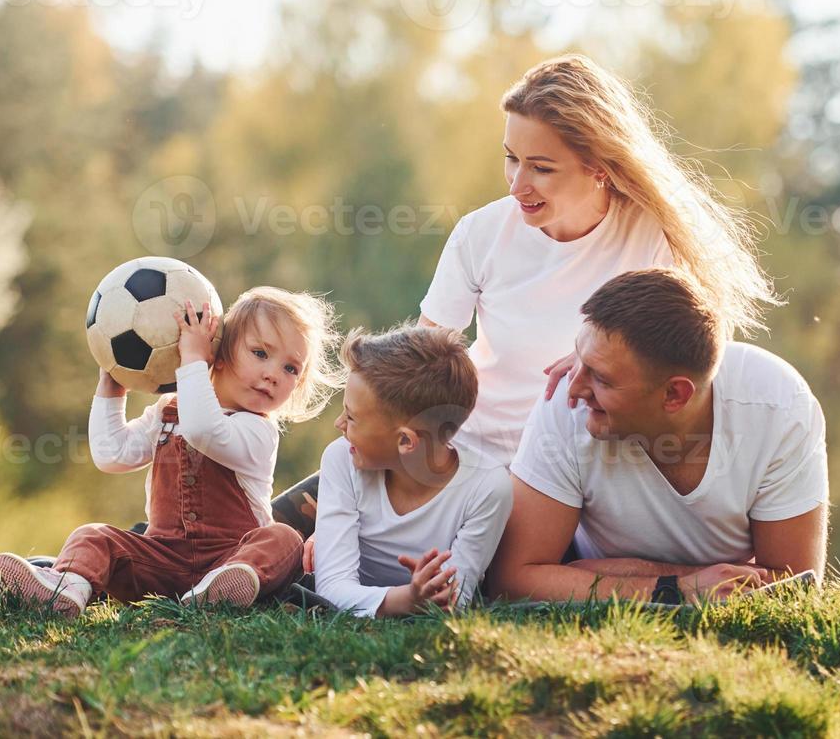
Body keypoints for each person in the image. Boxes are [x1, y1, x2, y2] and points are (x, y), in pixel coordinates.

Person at [274, 53, 778, 534]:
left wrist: (590, 364)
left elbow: (688, 363)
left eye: (541, 167)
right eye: (511, 159)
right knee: (285, 525)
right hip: (465, 455)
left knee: (469, 562)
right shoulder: (482, 233)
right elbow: (420, 362)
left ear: (598, 166)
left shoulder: (652, 238)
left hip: (574, 471)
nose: (517, 185)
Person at [0, 286, 342, 617]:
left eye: (290, 368)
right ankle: (64, 591)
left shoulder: (257, 429)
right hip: (161, 560)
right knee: (93, 535)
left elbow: (203, 429)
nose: (273, 374)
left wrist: (192, 363)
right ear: (219, 351)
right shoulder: (168, 411)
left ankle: (220, 591)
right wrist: (111, 390)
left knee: (283, 539)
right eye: (260, 353)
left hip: (231, 558)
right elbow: (112, 454)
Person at [487, 269, 829, 604]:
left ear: (674, 395)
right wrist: (678, 586)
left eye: (602, 379)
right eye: (580, 358)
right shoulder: (566, 402)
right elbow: (512, 580)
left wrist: (605, 573)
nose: (575, 387)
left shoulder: (779, 409)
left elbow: (791, 587)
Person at [311, 322, 513, 616]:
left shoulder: (488, 487)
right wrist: (407, 600)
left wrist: (429, 597)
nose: (339, 424)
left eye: (351, 417)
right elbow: (331, 588)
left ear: (406, 440)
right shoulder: (342, 458)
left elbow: (452, 599)